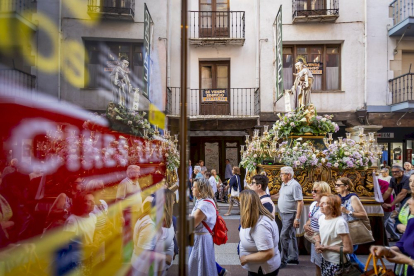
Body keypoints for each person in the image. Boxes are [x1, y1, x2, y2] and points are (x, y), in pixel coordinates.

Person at [131, 189, 176, 275]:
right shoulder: (149, 224)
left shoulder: (165, 217)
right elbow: (143, 252)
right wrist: (165, 257)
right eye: (172, 201)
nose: (174, 202)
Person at [239, 190, 281, 276]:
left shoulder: (261, 226)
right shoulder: (255, 217)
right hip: (257, 267)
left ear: (246, 205)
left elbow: (268, 253)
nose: (239, 205)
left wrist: (245, 259)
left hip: (263, 268)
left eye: (240, 202)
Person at [370, 195, 414, 276]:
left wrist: (409, 261)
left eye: (413, 198)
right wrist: (386, 250)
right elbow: (402, 246)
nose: (408, 202)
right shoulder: (412, 222)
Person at [272, 166, 303, 267]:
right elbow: (280, 195)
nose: (280, 176)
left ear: (288, 175)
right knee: (291, 235)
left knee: (284, 237)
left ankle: (282, 261)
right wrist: (268, 196)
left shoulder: (295, 185)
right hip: (283, 213)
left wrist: (297, 218)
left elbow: (300, 202)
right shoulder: (284, 184)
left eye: (282, 174)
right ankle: (293, 257)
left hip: (290, 214)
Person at [315, 195, 353, 276]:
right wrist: (318, 243)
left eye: (324, 203)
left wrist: (326, 247)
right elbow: (320, 235)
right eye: (320, 202)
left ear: (332, 207)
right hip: (325, 259)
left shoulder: (340, 222)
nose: (320, 205)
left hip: (337, 262)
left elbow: (349, 249)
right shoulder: (322, 218)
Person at [335, 177, 366, 271]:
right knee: (347, 255)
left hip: (351, 229)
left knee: (349, 254)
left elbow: (363, 215)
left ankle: (364, 271)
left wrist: (348, 211)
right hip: (341, 229)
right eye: (335, 185)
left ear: (346, 186)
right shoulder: (338, 197)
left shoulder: (353, 198)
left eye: (338, 185)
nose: (336, 187)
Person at [188, 178, 217, 276]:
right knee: (201, 265)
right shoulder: (203, 201)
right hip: (201, 237)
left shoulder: (204, 205)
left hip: (202, 239)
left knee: (201, 266)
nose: (192, 188)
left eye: (194, 187)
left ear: (200, 190)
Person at [304, 181, 331, 276]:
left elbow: (329, 226)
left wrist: (318, 240)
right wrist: (306, 225)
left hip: (323, 239)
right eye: (312, 190)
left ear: (324, 193)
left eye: (316, 191)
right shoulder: (313, 204)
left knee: (326, 265)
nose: (312, 193)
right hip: (315, 238)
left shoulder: (327, 207)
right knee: (317, 264)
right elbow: (311, 218)